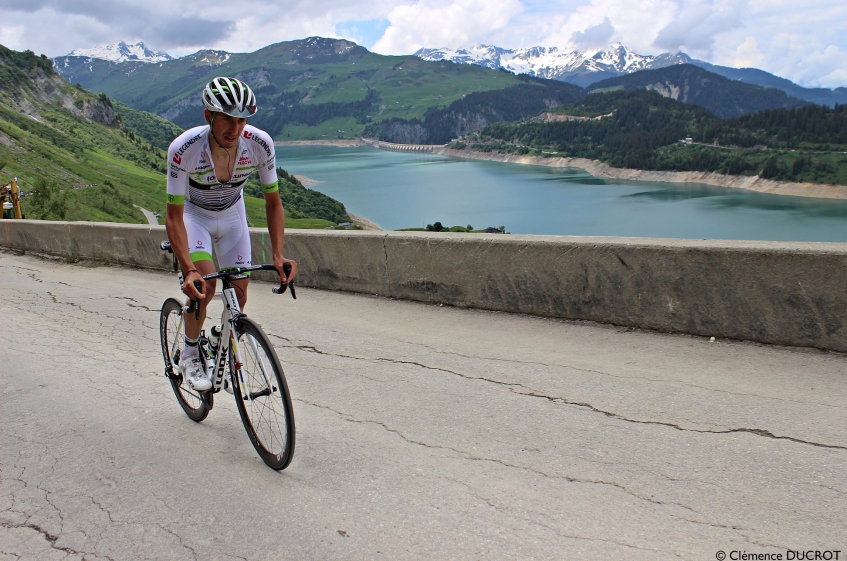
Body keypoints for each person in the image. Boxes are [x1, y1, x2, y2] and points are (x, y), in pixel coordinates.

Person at [165, 76, 297, 391]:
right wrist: (189, 268)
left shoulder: (260, 144)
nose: (234, 128)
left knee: (238, 295)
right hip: (194, 217)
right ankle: (191, 352)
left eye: (241, 120)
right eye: (226, 118)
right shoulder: (184, 149)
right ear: (208, 116)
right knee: (205, 288)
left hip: (232, 215)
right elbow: (172, 217)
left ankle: (215, 339)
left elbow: (273, 202)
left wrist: (278, 254)